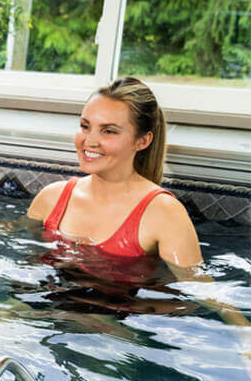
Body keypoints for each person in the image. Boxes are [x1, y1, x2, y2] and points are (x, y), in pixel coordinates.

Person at [25, 77, 199, 276]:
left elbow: (197, 287)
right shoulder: (51, 198)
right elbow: (26, 262)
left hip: (112, 306)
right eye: (85, 126)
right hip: (43, 301)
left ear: (142, 141)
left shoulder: (163, 213)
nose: (90, 141)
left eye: (108, 131)